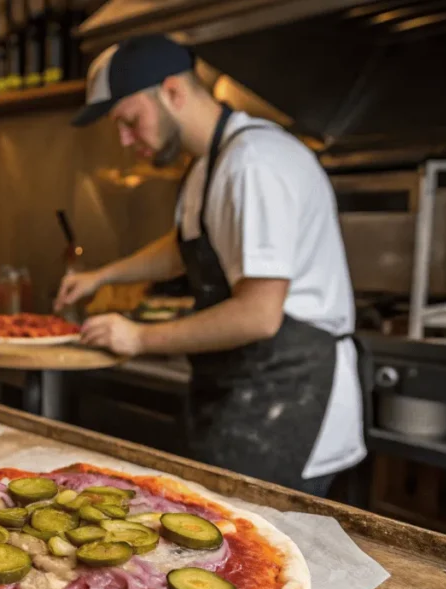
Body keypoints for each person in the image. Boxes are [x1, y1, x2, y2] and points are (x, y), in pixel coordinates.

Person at [56, 35, 368, 497]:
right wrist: (101, 276)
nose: (125, 139)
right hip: (244, 392)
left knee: (262, 559)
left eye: (129, 120)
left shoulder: (255, 163)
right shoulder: (210, 165)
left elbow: (258, 315)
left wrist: (139, 337)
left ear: (172, 92)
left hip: (292, 397)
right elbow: (186, 246)